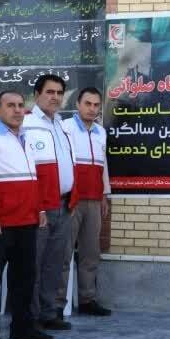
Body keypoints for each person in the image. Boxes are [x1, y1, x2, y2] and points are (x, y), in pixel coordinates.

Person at [0, 91, 53, 339]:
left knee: (24, 278)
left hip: (26, 222)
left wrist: (39, 209)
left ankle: (22, 328)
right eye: (10, 105)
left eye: (20, 105)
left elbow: (31, 179)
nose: (17, 110)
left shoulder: (25, 138)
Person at [24, 74, 78, 331]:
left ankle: (48, 313)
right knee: (33, 264)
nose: (55, 97)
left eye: (59, 92)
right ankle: (31, 317)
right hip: (40, 208)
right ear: (37, 95)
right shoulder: (26, 123)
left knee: (54, 264)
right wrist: (38, 205)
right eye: (49, 92)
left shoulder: (61, 124)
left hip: (64, 205)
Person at [61, 87, 112, 317]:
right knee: (63, 253)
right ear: (77, 104)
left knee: (91, 253)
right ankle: (57, 303)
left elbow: (103, 165)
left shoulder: (101, 132)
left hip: (94, 200)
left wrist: (105, 194)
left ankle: (87, 299)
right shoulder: (65, 128)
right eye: (87, 104)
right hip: (71, 200)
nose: (92, 109)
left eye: (96, 105)